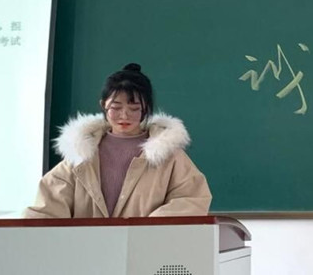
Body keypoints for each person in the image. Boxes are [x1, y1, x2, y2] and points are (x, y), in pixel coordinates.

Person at [24, 63, 211, 218]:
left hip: (145, 246)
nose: (124, 115)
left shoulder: (168, 154)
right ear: (103, 105)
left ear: (146, 108)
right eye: (116, 107)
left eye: (134, 108)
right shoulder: (80, 153)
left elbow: (193, 198)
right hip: (88, 248)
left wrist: (146, 229)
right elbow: (47, 208)